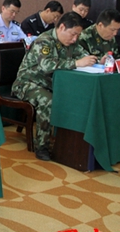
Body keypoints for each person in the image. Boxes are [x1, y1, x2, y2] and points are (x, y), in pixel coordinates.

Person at [12, 12, 97, 161]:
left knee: (77, 96)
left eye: (77, 35)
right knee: (48, 101)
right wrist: (76, 63)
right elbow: (46, 66)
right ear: (62, 27)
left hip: (51, 84)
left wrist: (96, 60)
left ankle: (68, 143)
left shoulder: (71, 42)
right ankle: (42, 147)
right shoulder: (44, 41)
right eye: (73, 34)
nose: (75, 39)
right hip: (28, 83)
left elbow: (83, 56)